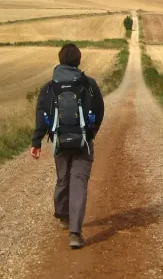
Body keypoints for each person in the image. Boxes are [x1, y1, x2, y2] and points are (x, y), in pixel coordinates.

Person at [29, 43, 105, 249]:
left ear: (60, 61)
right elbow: (99, 110)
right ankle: (75, 233)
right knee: (78, 182)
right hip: (83, 142)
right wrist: (91, 134)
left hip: (59, 143)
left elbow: (41, 115)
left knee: (63, 178)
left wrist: (37, 142)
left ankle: (63, 216)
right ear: (79, 61)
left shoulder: (49, 87)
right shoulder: (89, 84)